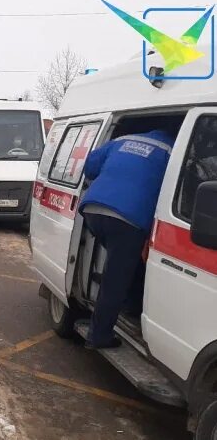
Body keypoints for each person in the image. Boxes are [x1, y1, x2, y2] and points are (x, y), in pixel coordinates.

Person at [79, 128, 174, 349]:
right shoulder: (171, 150)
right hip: (128, 218)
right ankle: (99, 337)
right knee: (116, 279)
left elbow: (90, 168)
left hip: (93, 210)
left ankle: (130, 304)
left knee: (124, 265)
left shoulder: (121, 140)